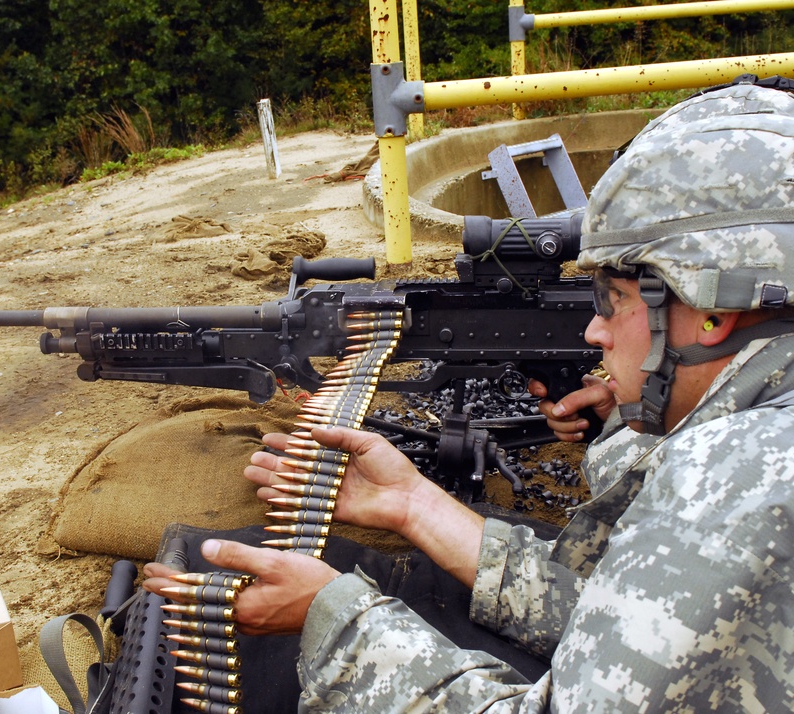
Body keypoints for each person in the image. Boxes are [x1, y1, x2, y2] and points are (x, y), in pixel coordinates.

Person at [145, 81, 794, 711]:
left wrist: (333, 620)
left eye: (613, 299)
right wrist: (413, 504)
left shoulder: (741, 478)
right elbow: (622, 619)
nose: (594, 329)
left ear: (714, 310)